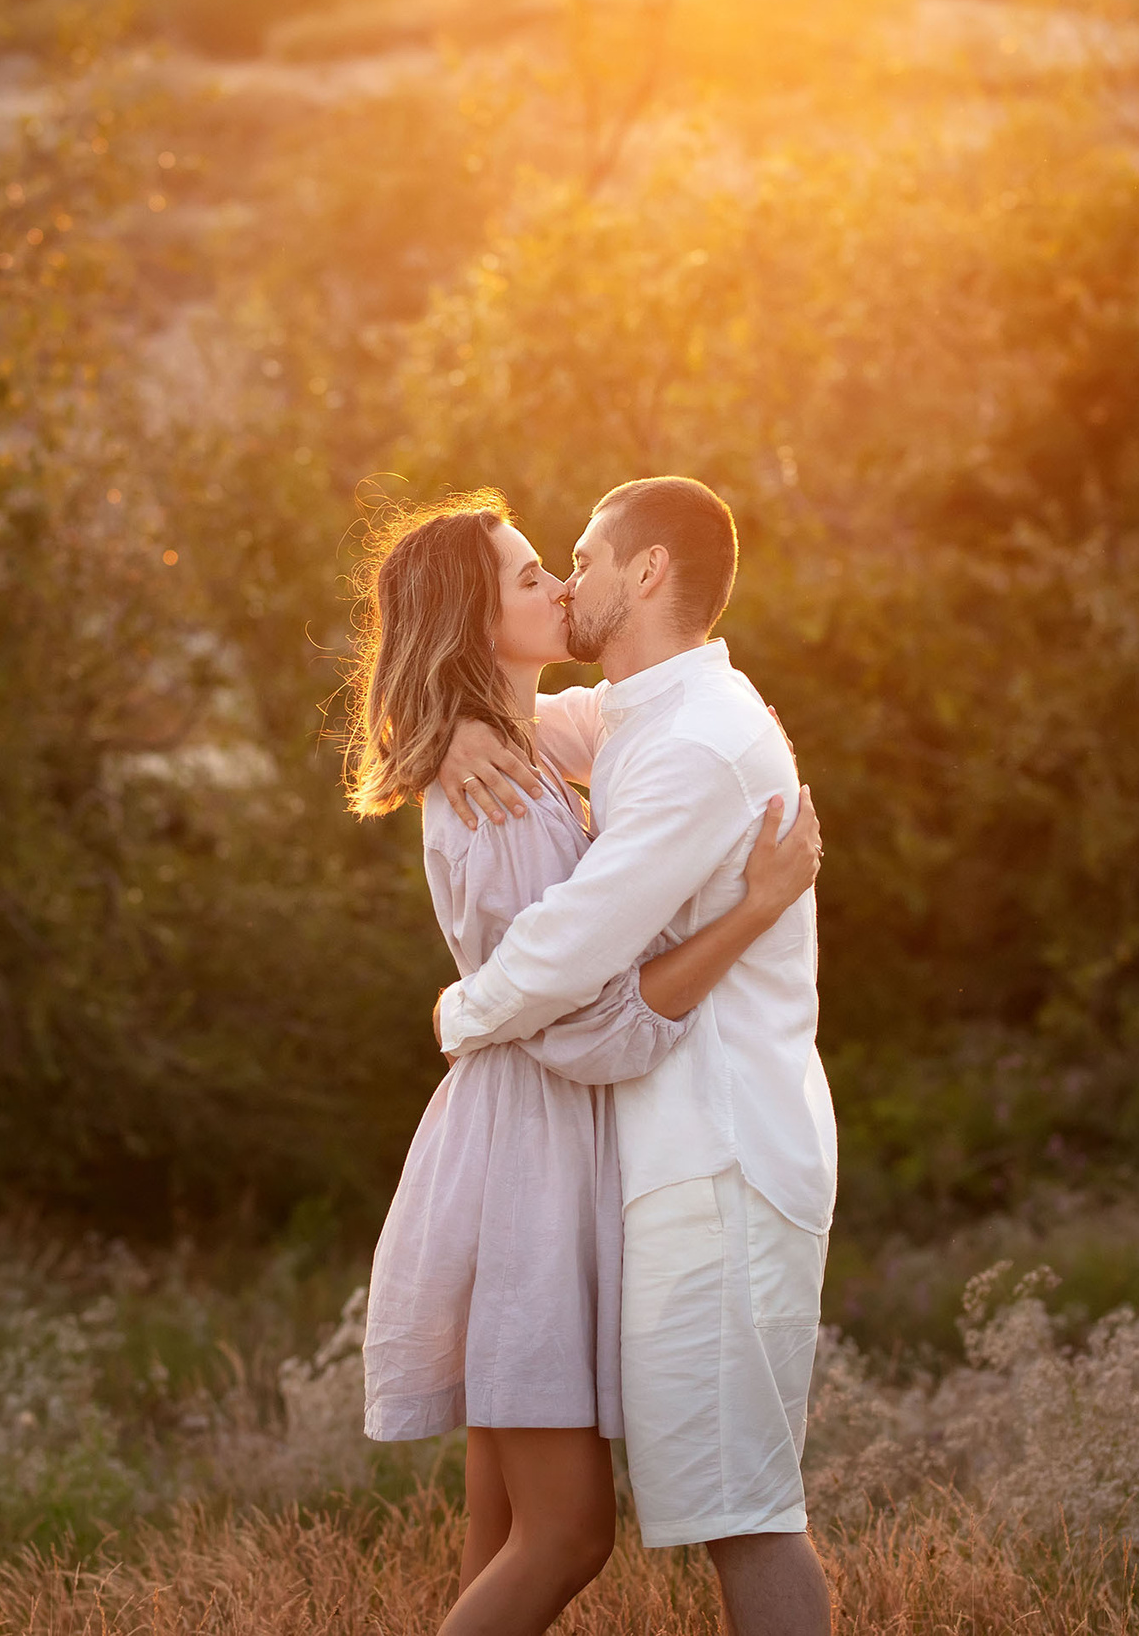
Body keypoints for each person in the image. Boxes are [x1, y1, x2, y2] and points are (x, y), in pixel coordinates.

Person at [341, 490, 823, 1636]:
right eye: (529, 576)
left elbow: (571, 722)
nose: (560, 585)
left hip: (542, 1136)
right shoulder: (504, 792)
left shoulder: (537, 748)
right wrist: (751, 910)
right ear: (476, 619)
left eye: (570, 562)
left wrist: (449, 720)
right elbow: (577, 1019)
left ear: (646, 573)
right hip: (531, 1146)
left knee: (502, 1539)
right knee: (563, 1536)